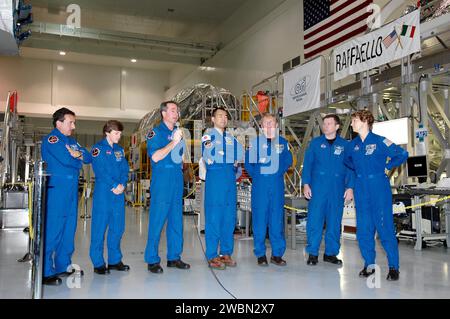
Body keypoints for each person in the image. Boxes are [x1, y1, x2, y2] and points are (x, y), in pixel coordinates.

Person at [344, 110, 408, 281]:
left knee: (384, 227)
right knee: (364, 229)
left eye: (354, 120)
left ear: (365, 121)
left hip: (379, 186)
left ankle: (394, 267)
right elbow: (347, 161)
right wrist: (354, 177)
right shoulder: (353, 145)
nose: (352, 124)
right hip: (361, 187)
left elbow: (402, 154)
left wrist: (388, 166)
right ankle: (369, 265)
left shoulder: (380, 141)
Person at [41, 107, 92, 285]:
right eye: (71, 122)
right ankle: (45, 270)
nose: (74, 126)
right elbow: (66, 159)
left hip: (71, 190)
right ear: (59, 123)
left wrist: (77, 155)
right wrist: (76, 158)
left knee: (69, 229)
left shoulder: (73, 142)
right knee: (53, 229)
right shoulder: (52, 139)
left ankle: (64, 265)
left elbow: (87, 158)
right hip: (57, 190)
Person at [302, 114, 354, 266]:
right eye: (324, 124)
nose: (325, 126)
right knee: (314, 221)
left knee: (334, 222)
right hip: (318, 189)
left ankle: (330, 253)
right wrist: (306, 184)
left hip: (337, 190)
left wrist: (350, 187)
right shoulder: (315, 144)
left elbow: (351, 168)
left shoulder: (345, 145)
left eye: (329, 123)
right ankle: (312, 253)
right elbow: (308, 165)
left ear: (337, 127)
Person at [144, 101, 190, 274]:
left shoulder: (177, 133)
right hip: (162, 180)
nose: (176, 113)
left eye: (177, 110)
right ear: (163, 113)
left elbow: (179, 158)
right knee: (157, 221)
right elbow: (155, 157)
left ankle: (174, 257)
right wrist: (173, 143)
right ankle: (152, 259)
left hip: (176, 180)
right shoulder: (155, 132)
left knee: (176, 221)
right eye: (172, 110)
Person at [244, 113, 292, 266]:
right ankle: (260, 254)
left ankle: (277, 254)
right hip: (260, 188)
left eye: (272, 123)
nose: (269, 125)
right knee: (259, 221)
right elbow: (248, 164)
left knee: (276, 220)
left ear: (277, 125)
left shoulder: (283, 143)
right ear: (262, 126)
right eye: (266, 123)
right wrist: (258, 177)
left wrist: (277, 173)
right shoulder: (255, 143)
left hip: (277, 187)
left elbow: (287, 161)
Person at [202, 107, 244, 270]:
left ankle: (226, 252)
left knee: (229, 216)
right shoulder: (208, 135)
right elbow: (209, 156)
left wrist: (227, 158)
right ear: (213, 119)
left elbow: (240, 154)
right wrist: (228, 158)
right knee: (214, 216)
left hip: (229, 178)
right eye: (219, 116)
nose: (223, 118)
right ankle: (212, 255)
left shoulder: (230, 138)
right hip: (216, 177)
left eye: (225, 116)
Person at [90, 120, 130, 275]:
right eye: (116, 133)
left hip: (118, 194)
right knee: (99, 228)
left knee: (117, 228)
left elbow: (124, 169)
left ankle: (114, 260)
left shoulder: (120, 150)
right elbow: (100, 171)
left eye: (120, 133)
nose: (119, 136)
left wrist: (122, 184)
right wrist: (114, 185)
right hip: (104, 193)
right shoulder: (97, 149)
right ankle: (98, 262)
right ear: (107, 133)